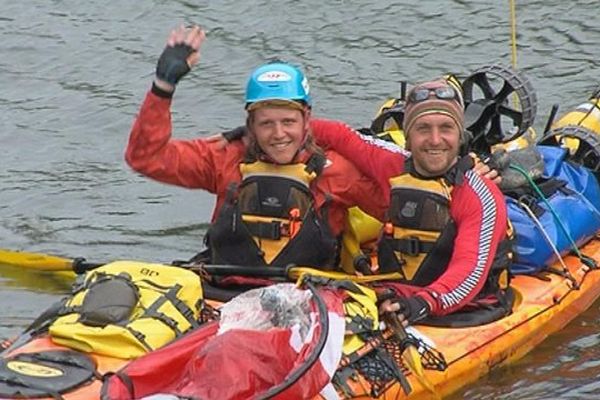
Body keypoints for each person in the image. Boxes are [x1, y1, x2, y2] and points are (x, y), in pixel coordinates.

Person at [125, 25, 387, 273]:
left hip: (309, 296)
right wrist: (163, 87)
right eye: (266, 124)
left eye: (288, 122)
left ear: (307, 120)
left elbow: (397, 209)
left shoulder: (337, 171)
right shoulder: (224, 157)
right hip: (224, 290)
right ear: (250, 124)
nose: (278, 134)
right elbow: (146, 158)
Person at [308, 79, 513, 326]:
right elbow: (340, 136)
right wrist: (264, 133)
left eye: (446, 128)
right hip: (396, 295)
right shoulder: (393, 164)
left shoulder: (480, 195)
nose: (435, 140)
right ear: (408, 135)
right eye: (423, 128)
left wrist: (423, 303)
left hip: (461, 309)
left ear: (460, 136)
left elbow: (468, 275)